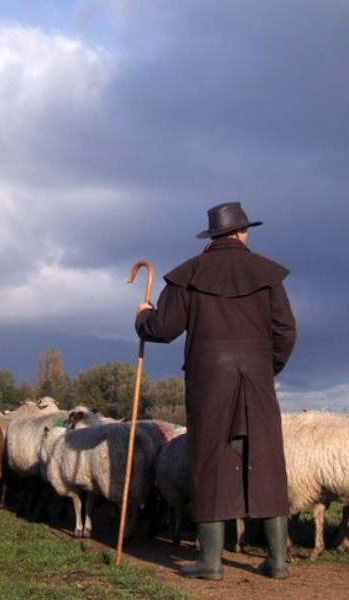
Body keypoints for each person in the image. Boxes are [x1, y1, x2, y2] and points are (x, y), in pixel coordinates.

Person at [135, 201, 297, 580]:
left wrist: (142, 315)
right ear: (241, 232)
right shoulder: (268, 275)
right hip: (257, 379)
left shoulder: (189, 274)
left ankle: (210, 563)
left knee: (210, 461)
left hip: (209, 381)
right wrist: (265, 368)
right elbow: (286, 332)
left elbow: (162, 329)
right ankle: (277, 561)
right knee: (268, 460)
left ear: (212, 237)